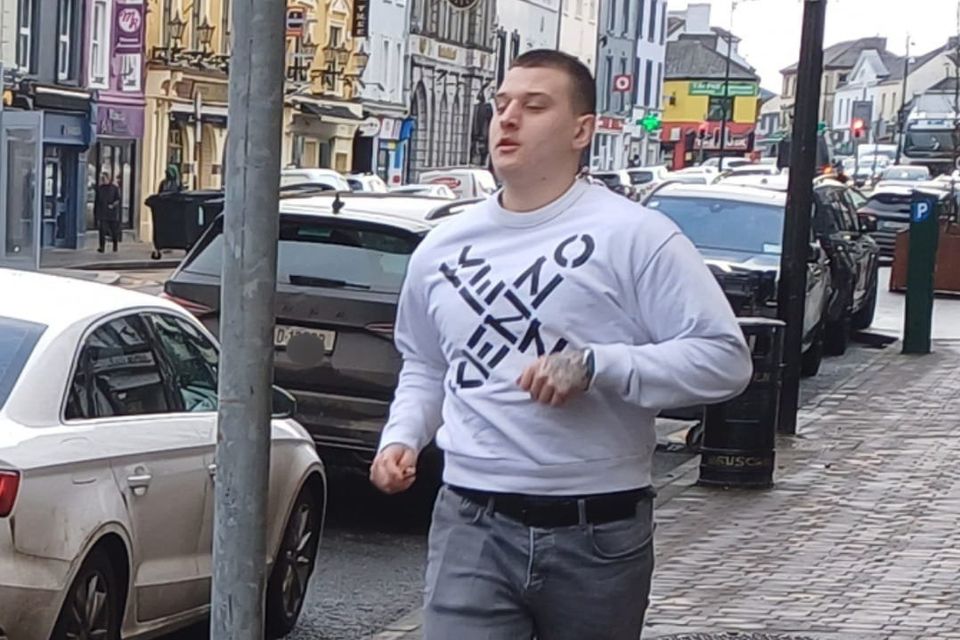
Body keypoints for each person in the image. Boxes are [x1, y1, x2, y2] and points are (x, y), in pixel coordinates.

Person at [370, 50, 753, 640]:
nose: (508, 119)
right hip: (471, 521)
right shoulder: (441, 248)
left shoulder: (636, 237)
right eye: (501, 105)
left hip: (597, 530)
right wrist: (402, 437)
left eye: (534, 105)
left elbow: (723, 359)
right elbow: (425, 363)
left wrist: (599, 364)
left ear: (582, 129)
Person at [94, 172, 122, 253]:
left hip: (112, 213)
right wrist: (96, 213)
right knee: (102, 231)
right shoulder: (100, 188)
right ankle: (102, 247)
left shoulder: (114, 188)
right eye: (102, 178)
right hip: (102, 213)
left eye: (104, 178)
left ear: (108, 178)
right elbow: (97, 201)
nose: (103, 180)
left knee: (114, 231)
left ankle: (115, 245)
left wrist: (113, 205)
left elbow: (118, 199)